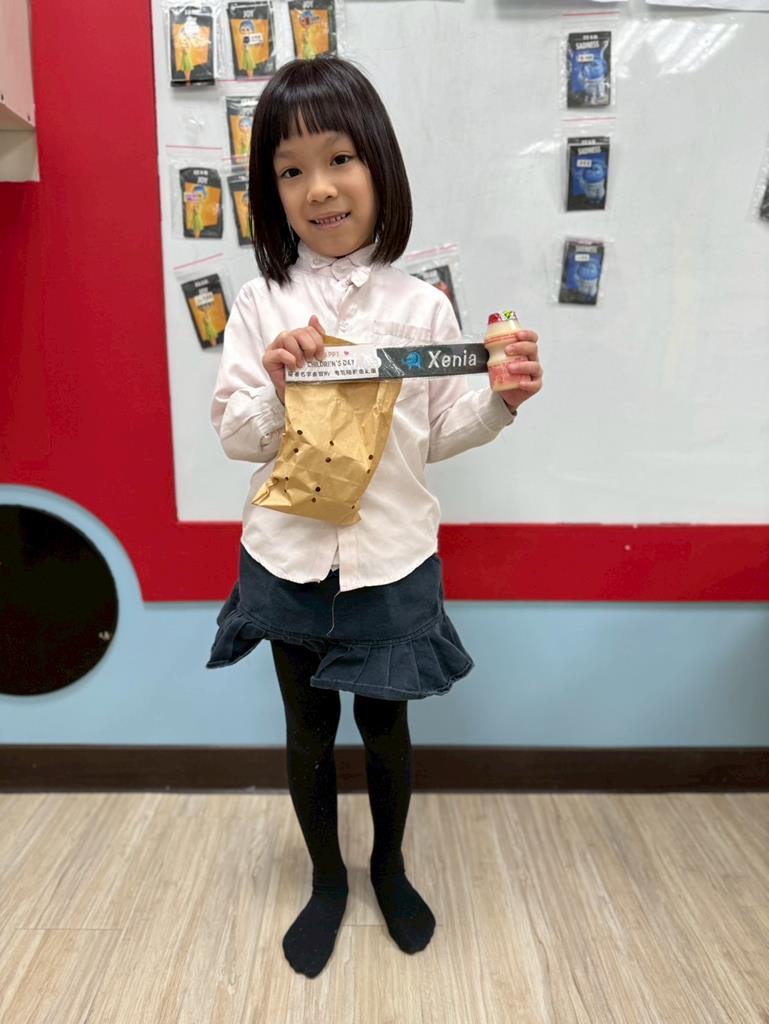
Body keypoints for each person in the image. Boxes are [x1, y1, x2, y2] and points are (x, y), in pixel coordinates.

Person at [207, 55, 543, 979]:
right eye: (289, 170)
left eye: (339, 158)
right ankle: (327, 880)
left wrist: (501, 401)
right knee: (307, 729)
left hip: (391, 558)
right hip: (287, 559)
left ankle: (388, 867)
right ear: (269, 191)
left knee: (386, 727)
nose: (317, 187)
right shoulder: (260, 303)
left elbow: (436, 434)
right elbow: (235, 436)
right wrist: (280, 383)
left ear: (379, 166)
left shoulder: (422, 305)